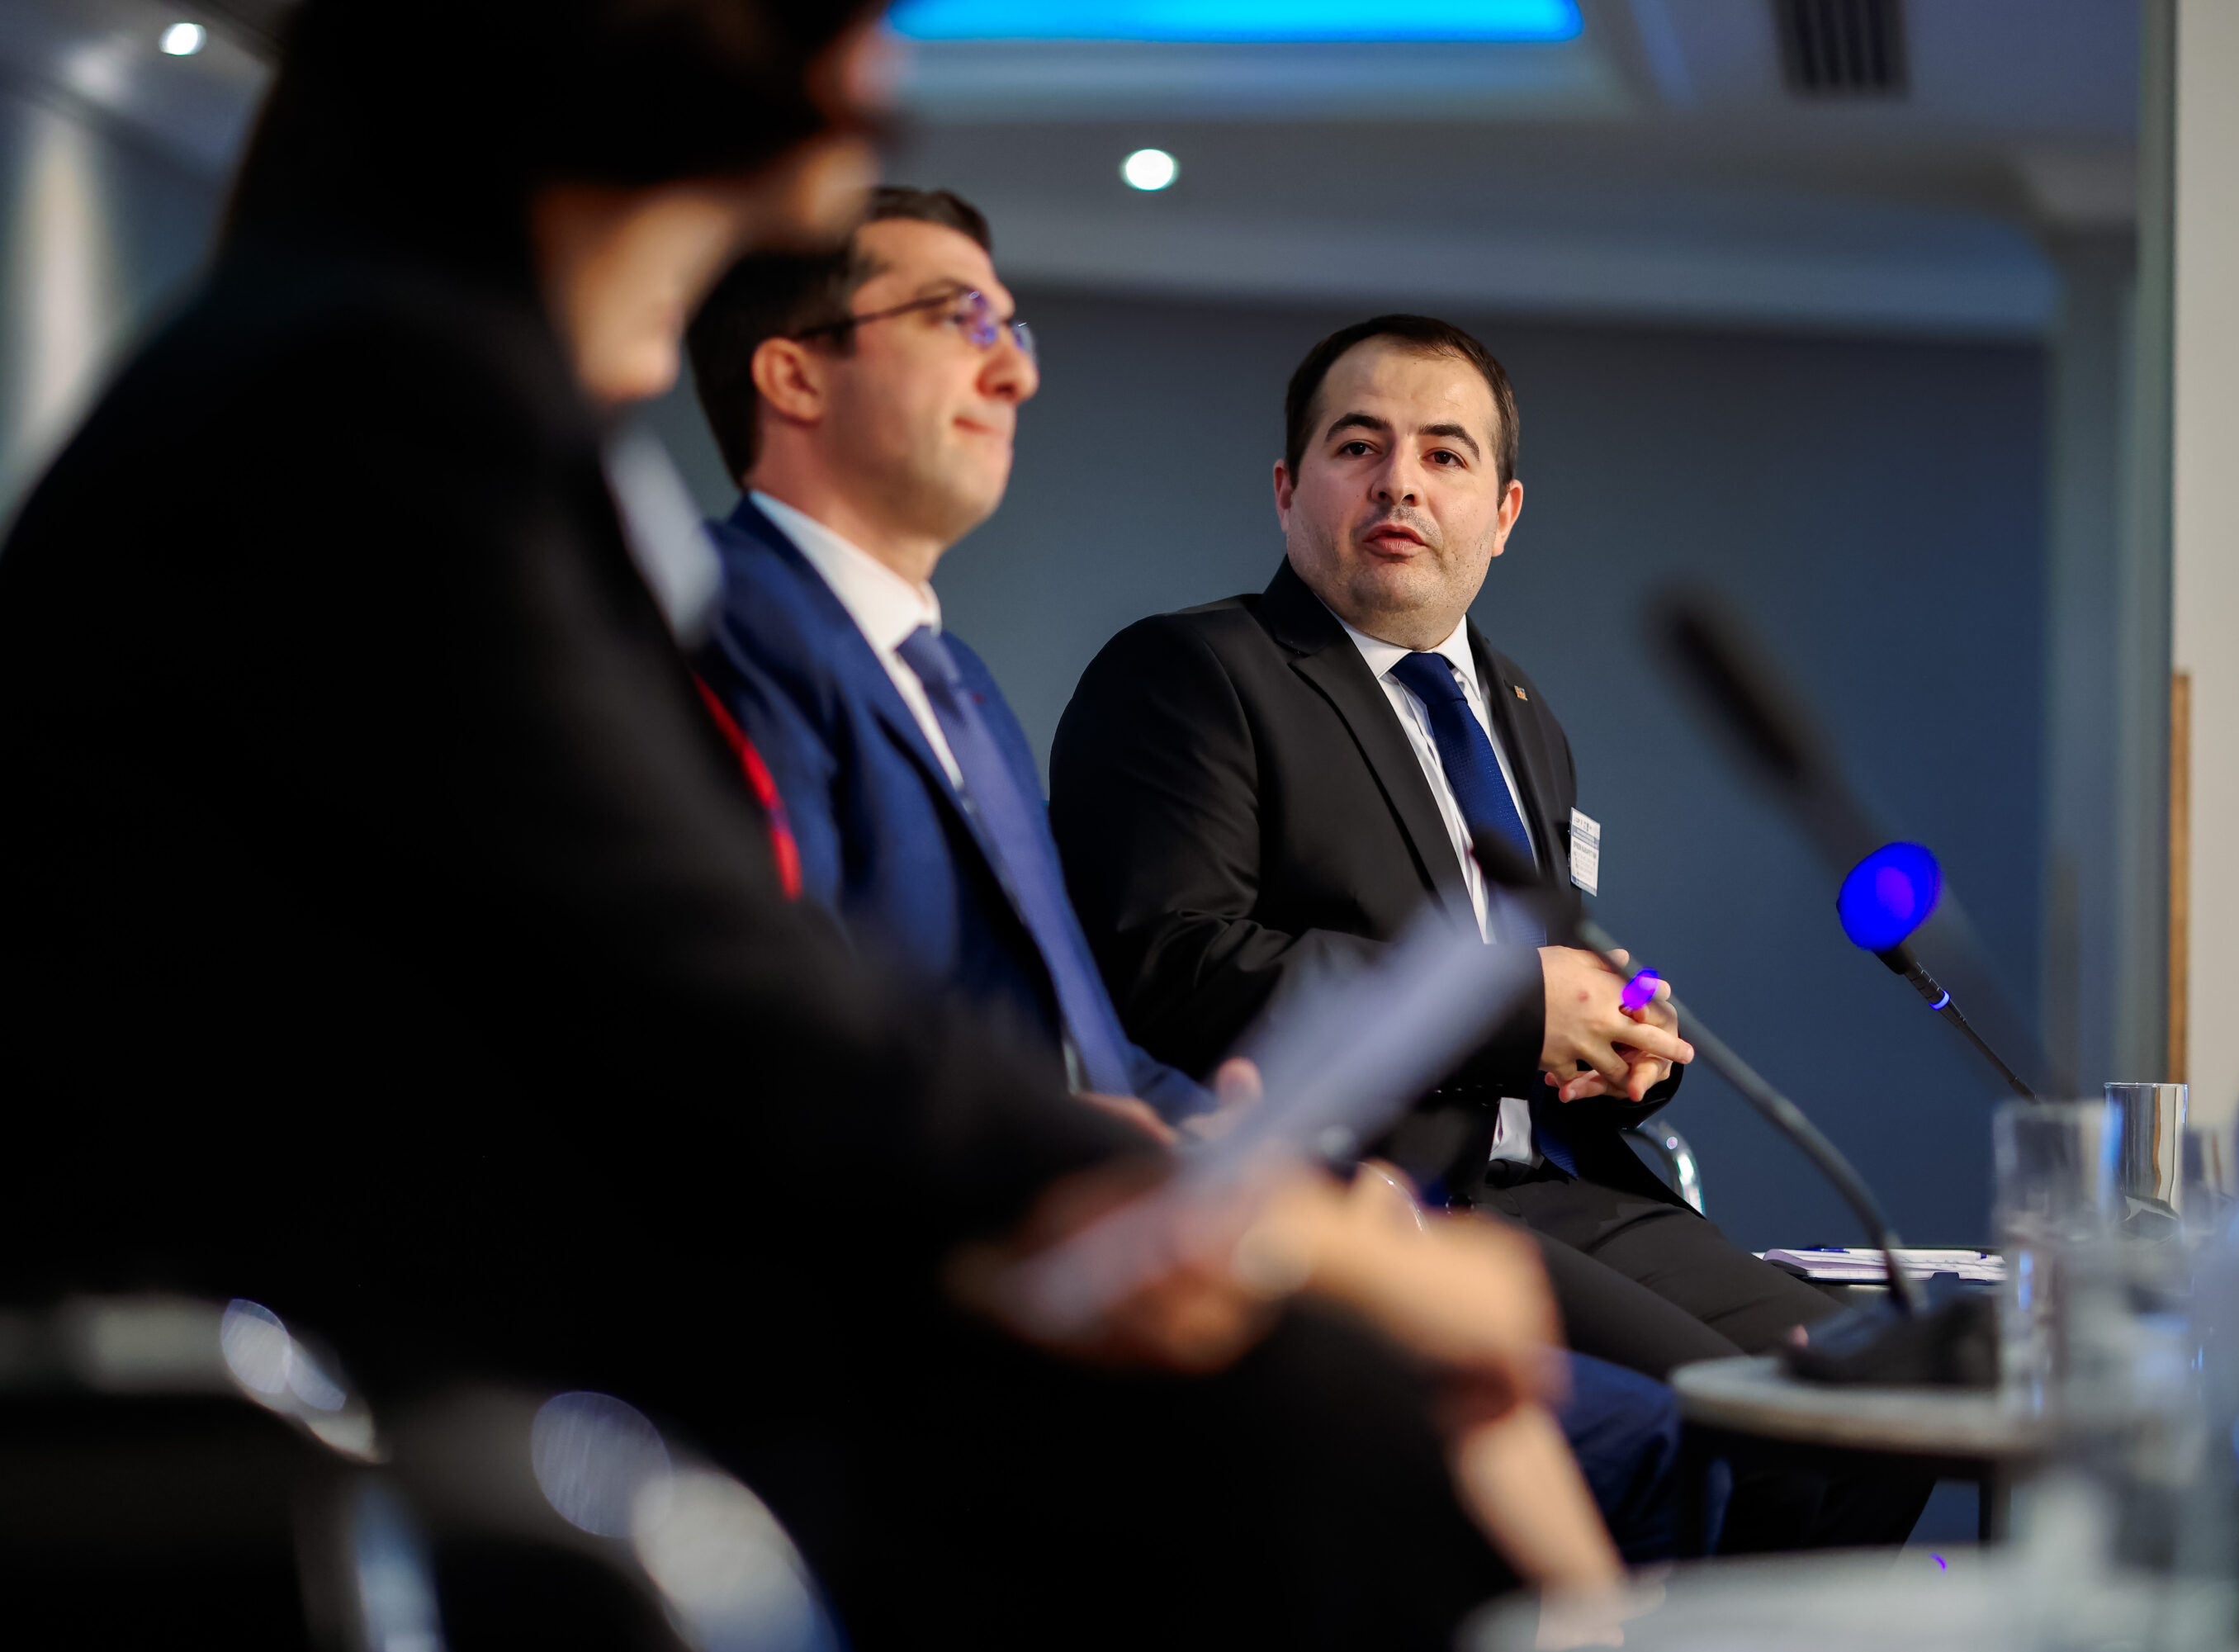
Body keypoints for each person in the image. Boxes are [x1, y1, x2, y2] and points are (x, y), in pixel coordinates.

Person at [0, 5, 1589, 1640]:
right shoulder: (381, 400)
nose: (871, 78)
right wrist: (1208, 1217)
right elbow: (706, 989)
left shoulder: (373, 370)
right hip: (390, 1400)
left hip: (513, 1302)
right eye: (825, 36)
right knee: (1333, 1411)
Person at [684, 187, 1721, 1566]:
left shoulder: (953, 681)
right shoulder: (729, 631)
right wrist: (1208, 1194)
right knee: (1597, 1426)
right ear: (795, 375)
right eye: (957, 318)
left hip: (1144, 1200)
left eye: (1012, 327)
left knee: (1617, 1417)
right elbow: (803, 1039)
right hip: (958, 1274)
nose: (1015, 368)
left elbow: (1084, 1034)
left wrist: (1274, 1169)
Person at [1048, 313, 1934, 1550]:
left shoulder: (1524, 717)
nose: (1399, 481)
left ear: (1503, 512)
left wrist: (1621, 1035)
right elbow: (1171, 971)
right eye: (1358, 446)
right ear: (1288, 489)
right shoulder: (1194, 674)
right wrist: (1521, 1008)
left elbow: (1552, 968)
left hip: (1575, 1186)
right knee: (1760, 1441)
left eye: (1445, 453)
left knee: (1897, 1410)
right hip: (1395, 1203)